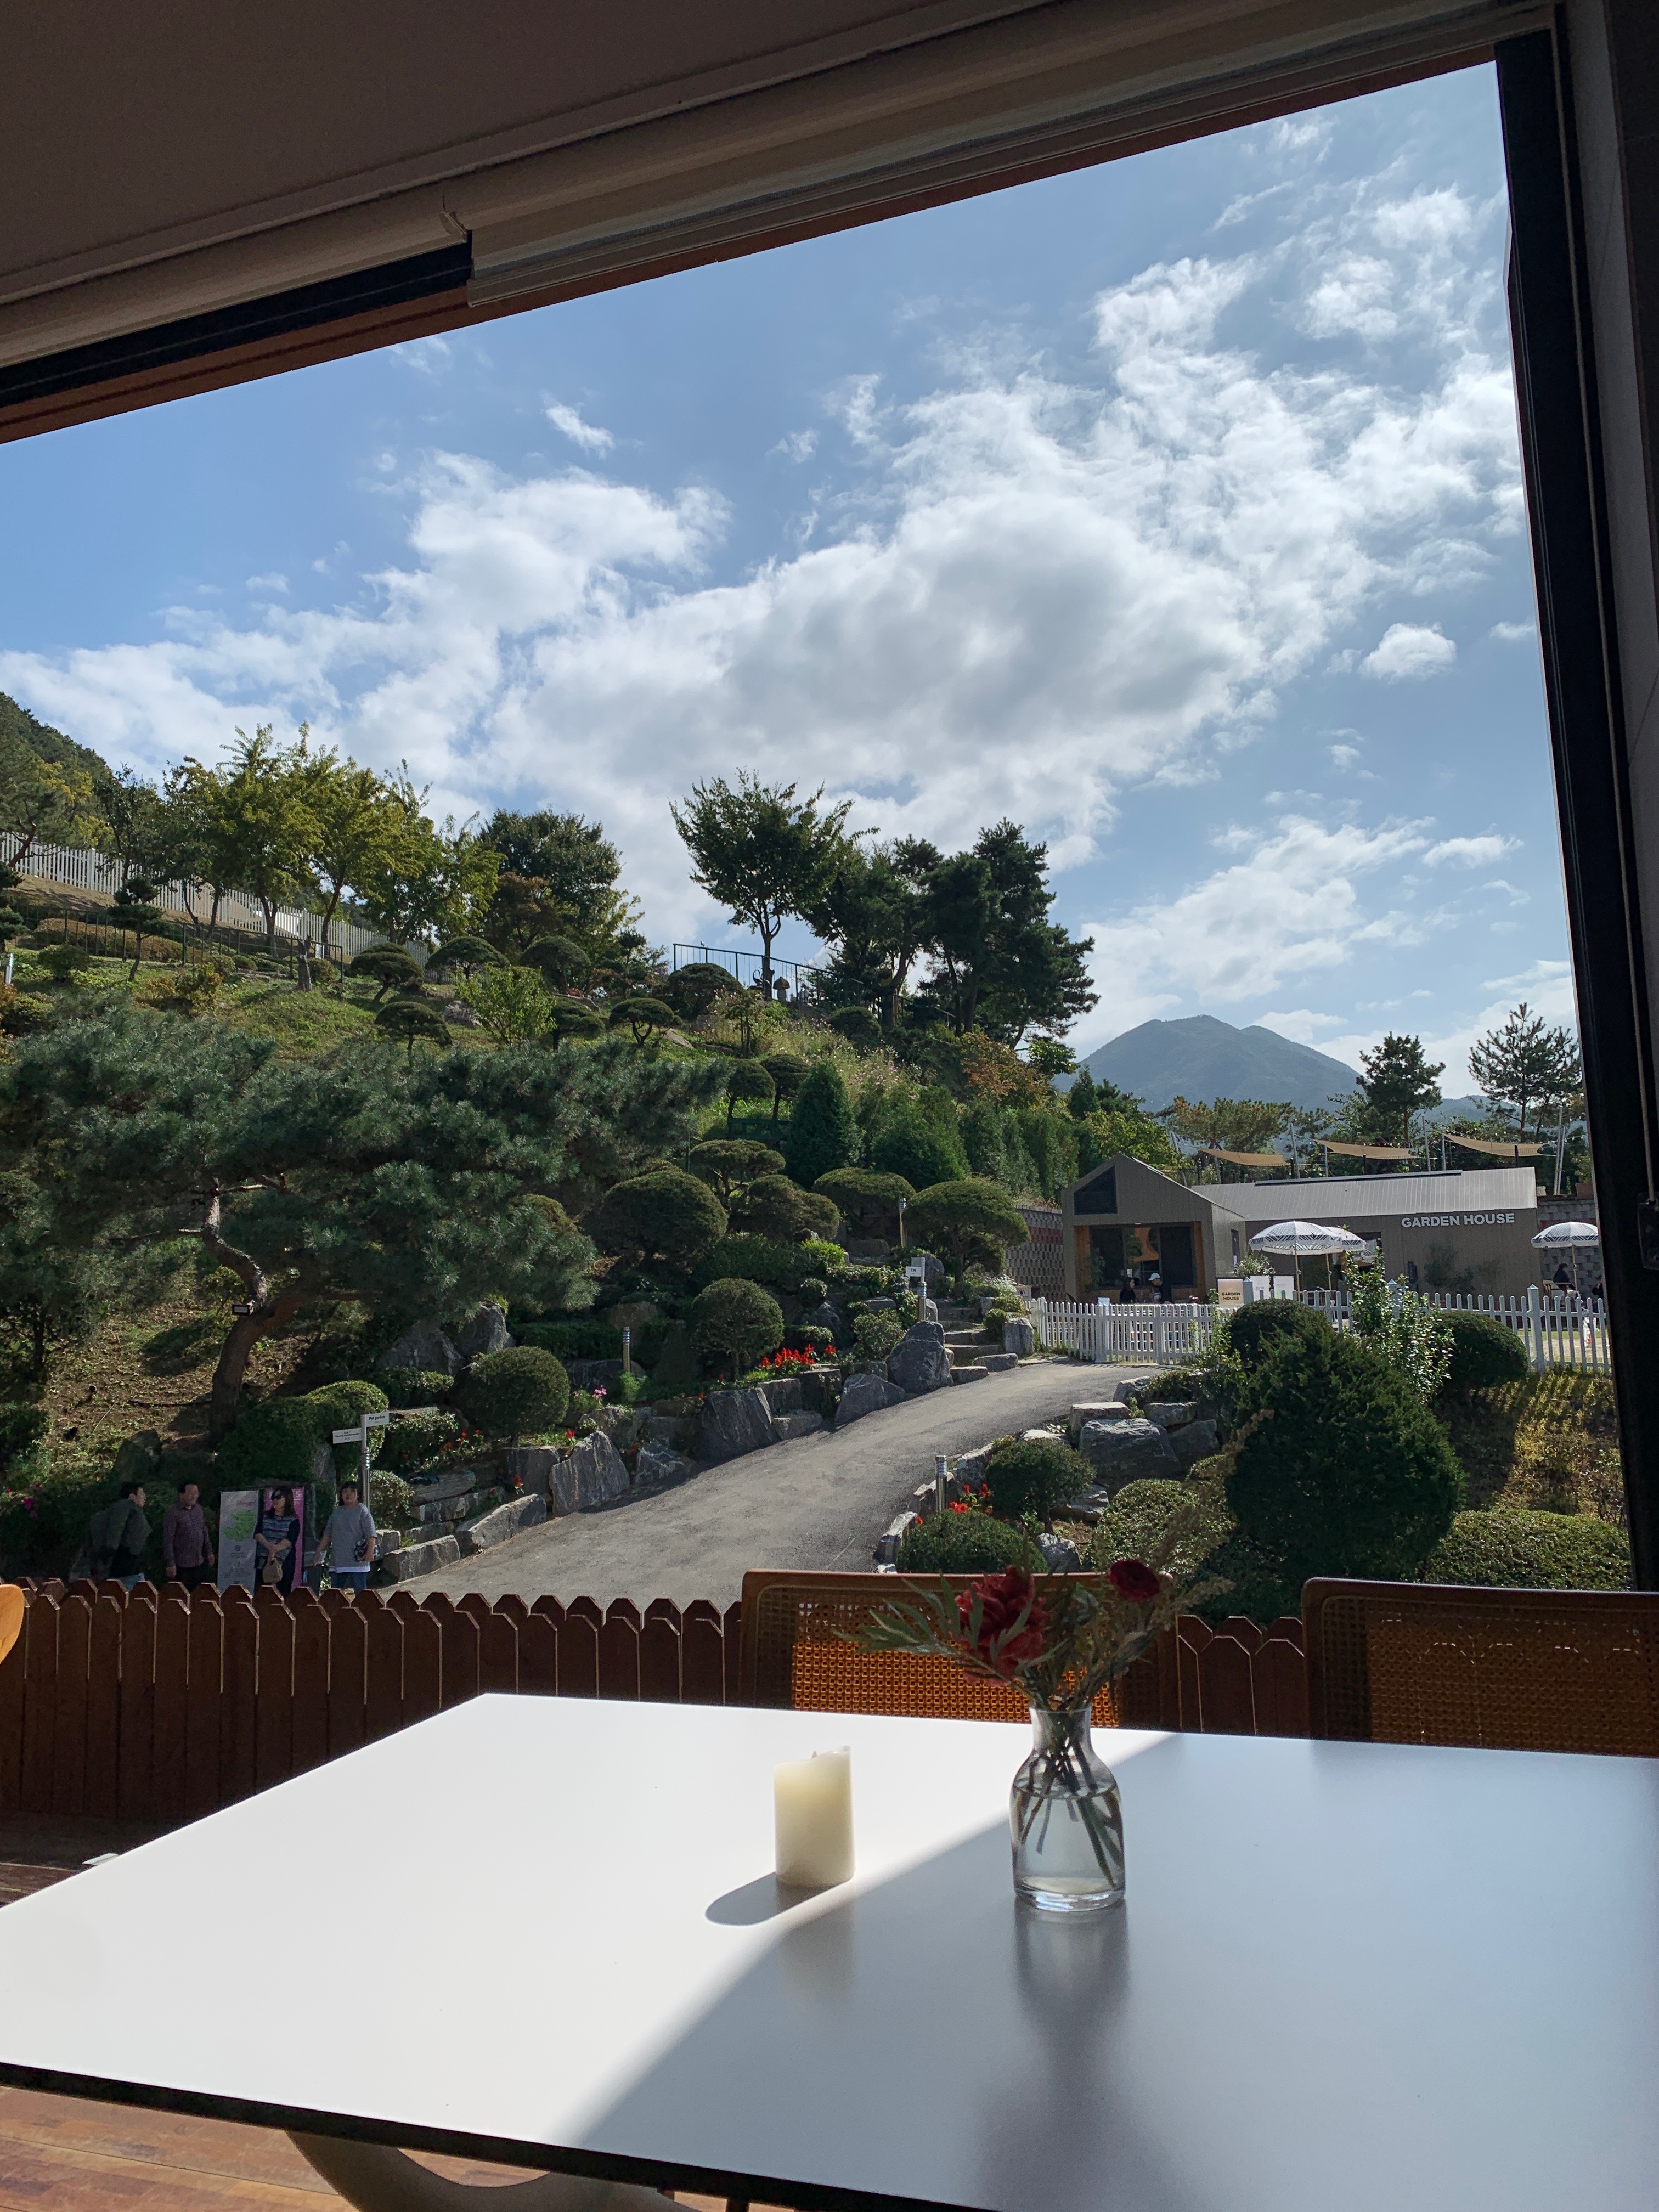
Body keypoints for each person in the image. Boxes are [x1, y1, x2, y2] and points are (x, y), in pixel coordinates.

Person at [317, 1479, 376, 1595]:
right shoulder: (337, 1513)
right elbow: (328, 1535)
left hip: (358, 1561)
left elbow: (371, 1535)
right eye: (345, 1491)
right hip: (338, 1561)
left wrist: (370, 1553)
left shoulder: (362, 1511)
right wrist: (318, 1552)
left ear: (358, 1494)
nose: (348, 1495)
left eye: (352, 1491)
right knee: (336, 1594)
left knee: (361, 1594)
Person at [93, 1481, 150, 1590]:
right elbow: (116, 1529)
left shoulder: (135, 1511)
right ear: (132, 1496)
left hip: (132, 1560)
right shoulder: (125, 1506)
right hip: (125, 1559)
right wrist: (110, 1550)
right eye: (142, 1494)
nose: (144, 1497)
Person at [162, 1479, 216, 1591]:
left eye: (196, 1493)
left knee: (201, 1593)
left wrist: (210, 1552)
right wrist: (170, 1563)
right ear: (181, 1495)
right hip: (182, 1565)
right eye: (191, 1493)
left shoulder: (198, 1510)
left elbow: (204, 1530)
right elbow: (168, 1539)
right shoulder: (173, 1513)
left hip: (199, 1561)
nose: (194, 1496)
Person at [255, 1486, 302, 1593]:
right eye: (273, 1497)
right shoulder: (265, 1516)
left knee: (283, 1592)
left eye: (278, 1497)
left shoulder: (294, 1519)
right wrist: (270, 1547)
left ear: (287, 1499)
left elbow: (290, 1540)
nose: (275, 1500)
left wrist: (275, 1550)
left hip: (285, 1561)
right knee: (261, 1592)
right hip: (264, 1559)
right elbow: (258, 1534)